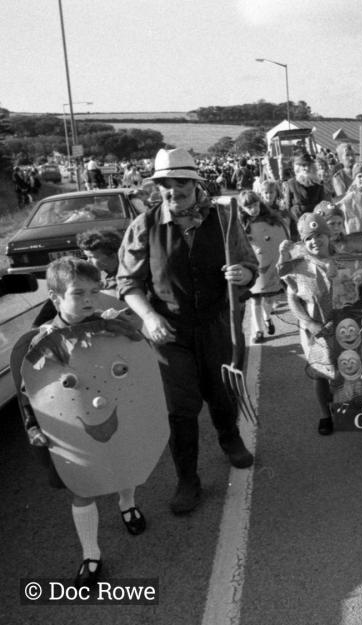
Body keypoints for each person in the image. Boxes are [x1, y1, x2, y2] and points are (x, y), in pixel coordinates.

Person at [118, 148, 258, 515]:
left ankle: (230, 439)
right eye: (165, 185)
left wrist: (244, 273)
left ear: (195, 184)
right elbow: (127, 283)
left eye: (180, 183)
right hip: (170, 332)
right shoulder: (144, 226)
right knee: (181, 408)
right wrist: (149, 317)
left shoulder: (224, 219)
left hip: (217, 325)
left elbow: (249, 263)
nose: (172, 191)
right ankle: (187, 479)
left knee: (222, 392)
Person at [13, 258, 154, 588]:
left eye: (94, 291)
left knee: (124, 467)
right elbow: (30, 392)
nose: (89, 299)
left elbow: (139, 368)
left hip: (116, 412)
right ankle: (91, 554)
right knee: (82, 487)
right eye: (78, 293)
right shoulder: (42, 343)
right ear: (55, 297)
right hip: (74, 422)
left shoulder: (111, 329)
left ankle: (127, 505)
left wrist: (125, 331)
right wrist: (33, 426)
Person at [282, 213, 340, 436]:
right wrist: (309, 323)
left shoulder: (344, 261)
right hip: (315, 331)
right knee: (319, 373)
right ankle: (325, 414)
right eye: (308, 238)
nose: (314, 241)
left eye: (318, 235)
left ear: (328, 235)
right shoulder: (299, 267)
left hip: (344, 327)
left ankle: (347, 406)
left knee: (348, 368)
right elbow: (292, 299)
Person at [238, 190, 289, 343]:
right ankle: (258, 331)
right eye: (249, 207)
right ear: (243, 209)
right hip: (254, 267)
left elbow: (280, 239)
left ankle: (267, 318)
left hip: (270, 265)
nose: (254, 209)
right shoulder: (241, 225)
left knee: (268, 299)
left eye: (255, 205)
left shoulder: (272, 220)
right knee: (255, 301)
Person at [283, 153, 327, 238]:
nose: (306, 168)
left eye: (308, 165)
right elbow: (288, 207)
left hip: (315, 223)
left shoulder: (318, 184)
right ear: (297, 167)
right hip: (297, 223)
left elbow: (322, 205)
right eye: (303, 165)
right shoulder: (290, 183)